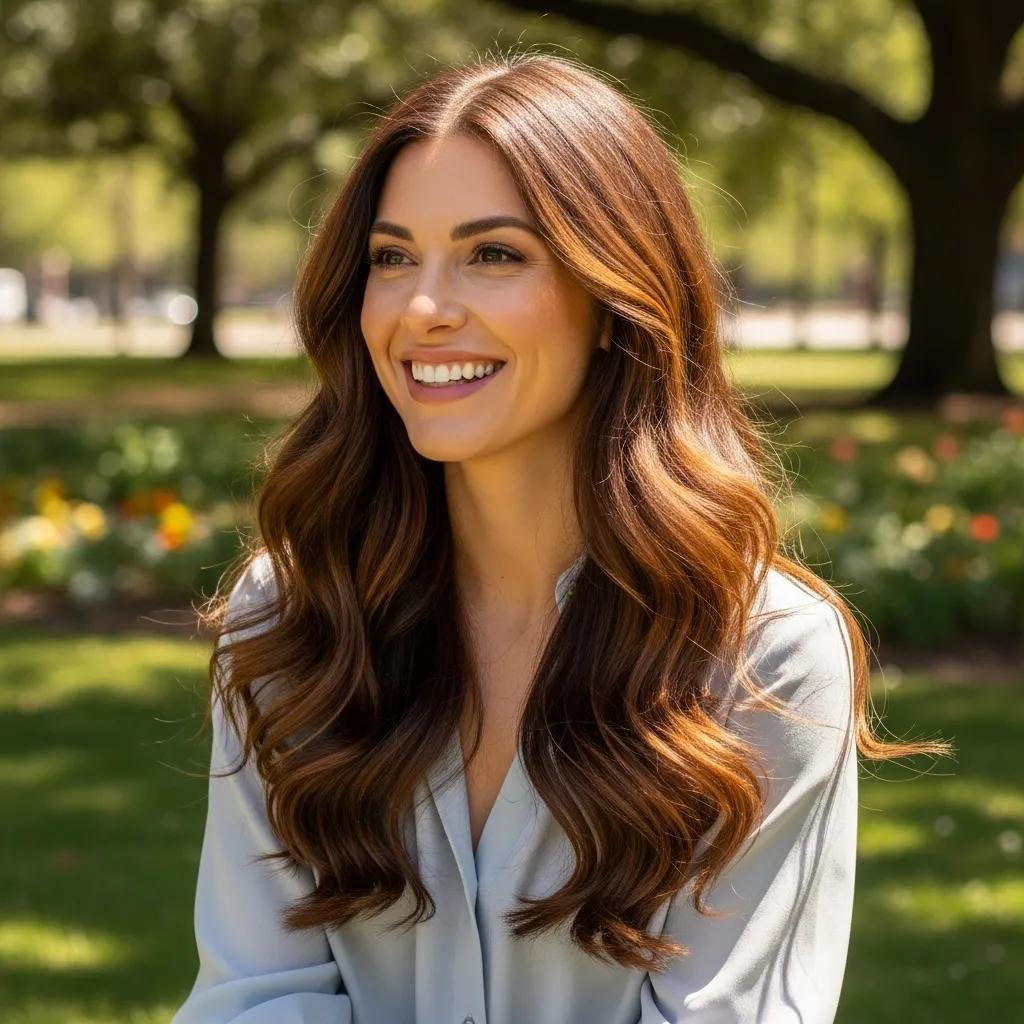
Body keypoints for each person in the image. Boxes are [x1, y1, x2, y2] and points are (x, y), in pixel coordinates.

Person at [171, 50, 950, 1024]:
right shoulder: (293, 615)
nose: (422, 307)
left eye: (493, 253)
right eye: (391, 255)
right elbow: (256, 998)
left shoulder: (762, 658)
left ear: (611, 296)